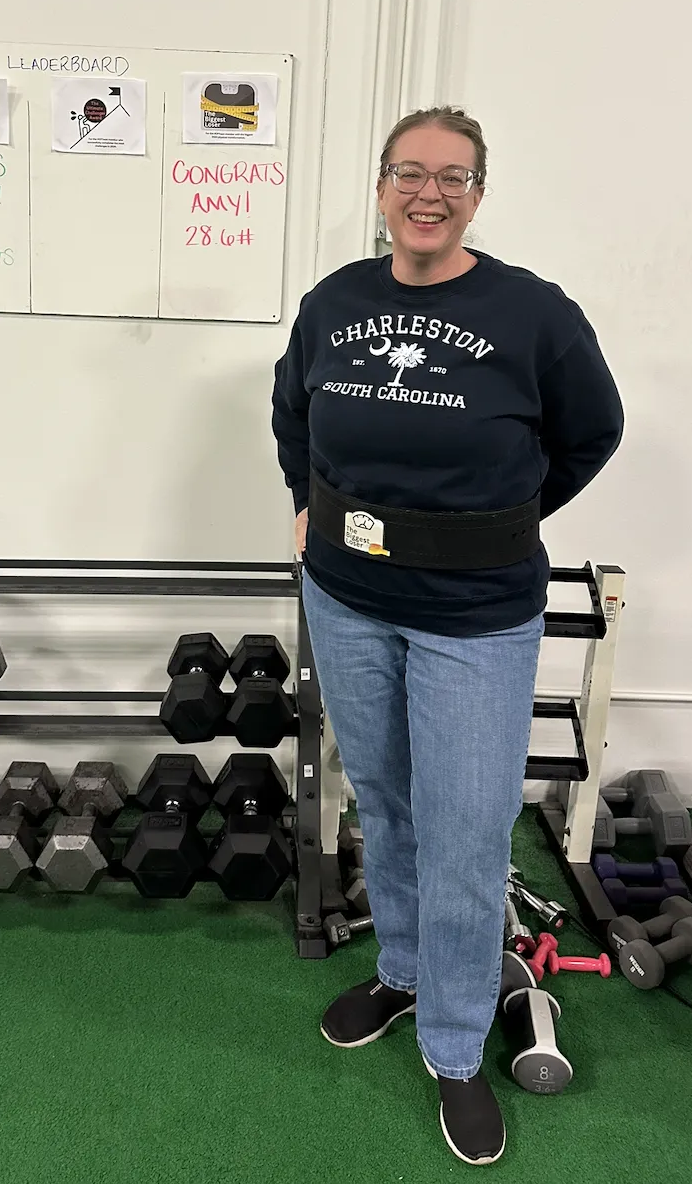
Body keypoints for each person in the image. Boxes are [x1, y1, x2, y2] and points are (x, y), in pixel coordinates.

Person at [271, 106, 623, 1166]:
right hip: (346, 594)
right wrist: (305, 497)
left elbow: (590, 432)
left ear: (478, 192)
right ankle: (410, 970)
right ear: (381, 186)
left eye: (453, 177)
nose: (429, 193)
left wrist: (486, 525)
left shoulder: (532, 315)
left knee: (467, 832)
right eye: (409, 173)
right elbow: (295, 410)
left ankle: (459, 1046)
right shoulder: (334, 303)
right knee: (385, 803)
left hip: (475, 616)